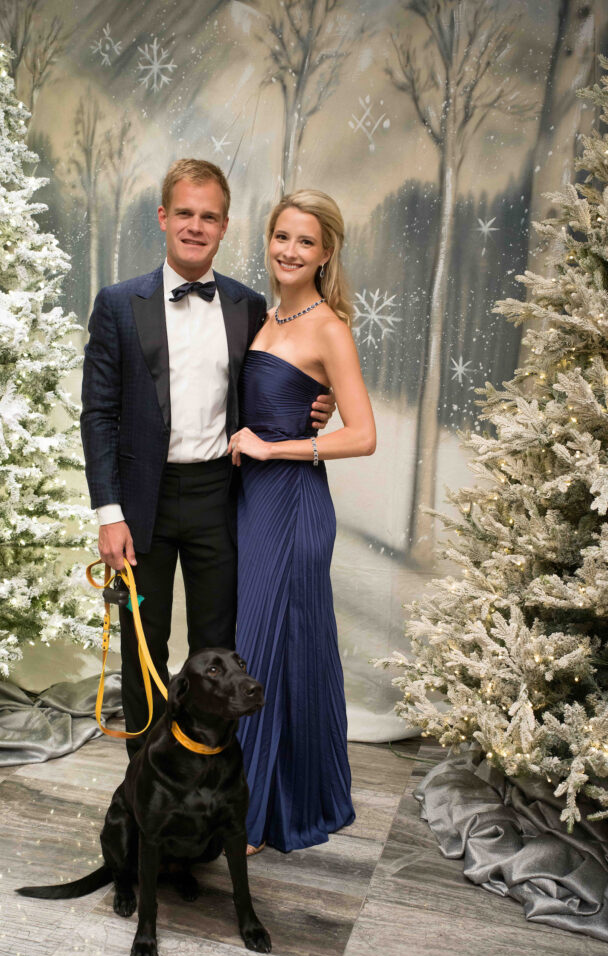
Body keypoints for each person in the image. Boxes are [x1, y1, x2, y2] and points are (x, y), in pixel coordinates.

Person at [80, 160, 335, 758]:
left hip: (222, 498)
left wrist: (314, 408)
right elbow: (98, 414)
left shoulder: (248, 307)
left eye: (210, 217)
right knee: (143, 642)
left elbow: (278, 382)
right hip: (141, 507)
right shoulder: (118, 304)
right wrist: (108, 513)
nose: (196, 227)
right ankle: (146, 776)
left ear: (225, 227)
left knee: (218, 648)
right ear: (165, 218)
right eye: (186, 214)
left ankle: (215, 777)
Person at [227, 190, 376, 854]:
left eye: (305, 242)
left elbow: (364, 434)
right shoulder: (260, 318)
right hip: (252, 504)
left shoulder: (329, 328)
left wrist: (275, 445)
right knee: (274, 651)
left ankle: (252, 815)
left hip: (292, 505)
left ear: (326, 253)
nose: (290, 250)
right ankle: (289, 797)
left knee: (261, 649)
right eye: (281, 236)